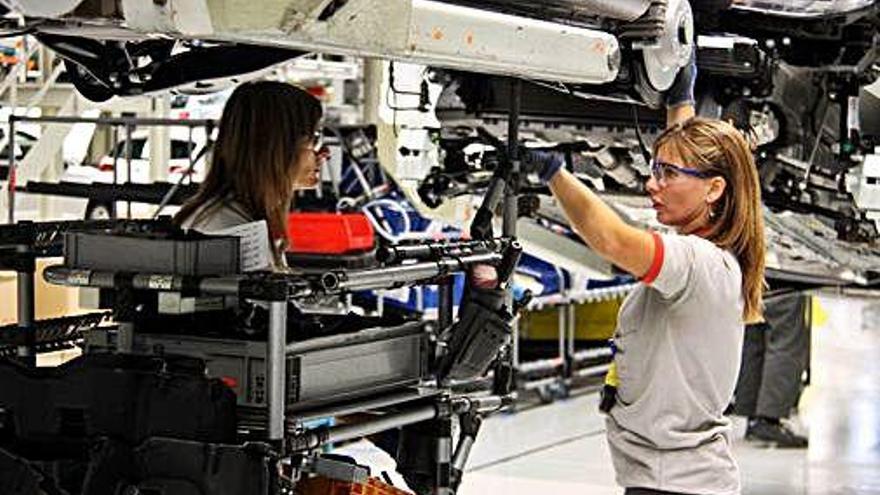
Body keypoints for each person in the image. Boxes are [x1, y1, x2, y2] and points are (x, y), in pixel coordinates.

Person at [498, 52, 766, 494]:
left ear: (715, 188)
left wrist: (555, 174)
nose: (651, 184)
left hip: (673, 486)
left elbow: (614, 242)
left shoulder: (700, 265)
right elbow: (688, 163)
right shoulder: (706, 252)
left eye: (666, 174)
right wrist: (679, 99)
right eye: (653, 170)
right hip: (670, 480)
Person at [174, 80, 326, 270]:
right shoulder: (229, 232)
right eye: (315, 138)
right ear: (276, 146)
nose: (324, 153)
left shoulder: (238, 217)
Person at [733, 290, 811, 448]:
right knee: (786, 335)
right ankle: (769, 419)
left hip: (757, 273)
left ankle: (753, 419)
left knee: (755, 335)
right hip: (786, 273)